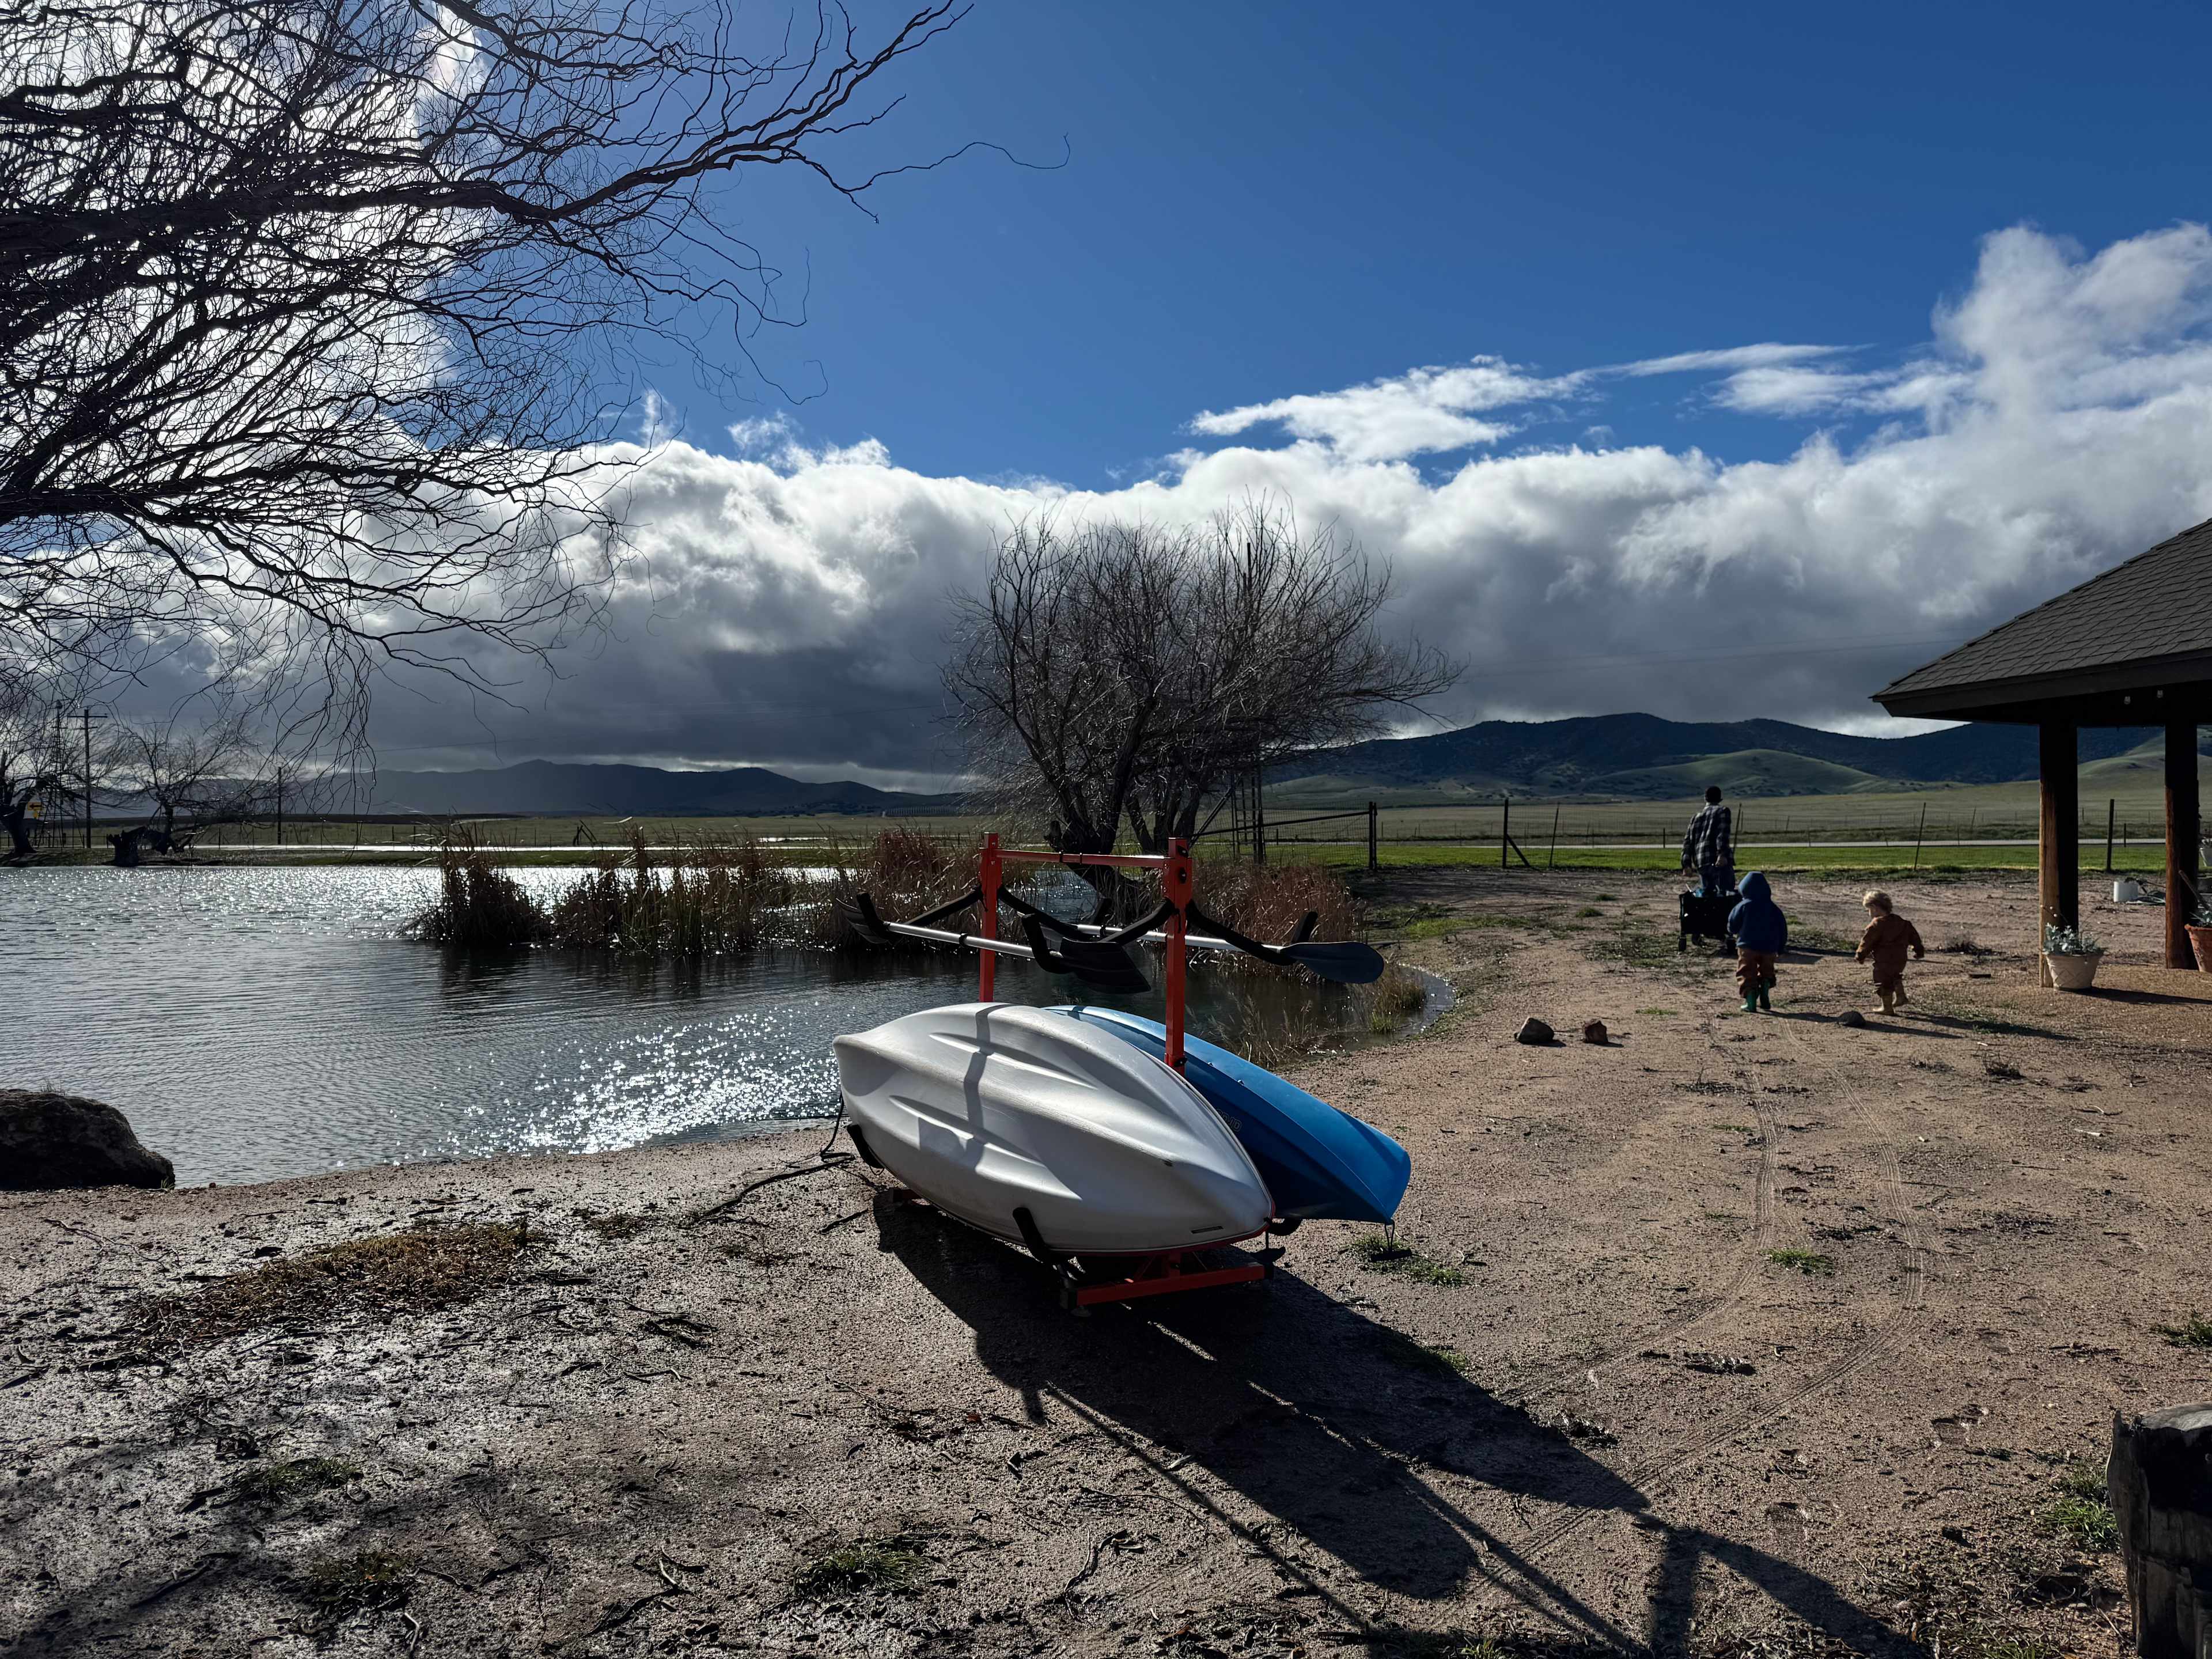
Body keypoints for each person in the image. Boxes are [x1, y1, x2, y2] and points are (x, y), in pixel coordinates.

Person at [1854, 889, 1925, 1016]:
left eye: (1868, 910)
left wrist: (1860, 955)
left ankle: (1887, 1008)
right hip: (1900, 959)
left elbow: (1867, 942)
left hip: (1884, 960)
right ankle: (1901, 997)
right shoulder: (1902, 923)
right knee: (1895, 975)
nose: (1869, 913)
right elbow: (1915, 937)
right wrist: (1919, 951)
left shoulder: (1877, 925)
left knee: (1882, 980)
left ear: (1874, 908)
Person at [1727, 870, 1787, 1012]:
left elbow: (1733, 923)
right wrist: (1781, 947)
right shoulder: (1773, 908)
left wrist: (1732, 931)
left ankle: (1751, 1001)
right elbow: (1782, 928)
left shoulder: (1743, 906)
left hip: (1747, 946)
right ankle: (1765, 989)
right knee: (1767, 970)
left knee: (1747, 972)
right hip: (1770, 947)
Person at [1681, 786, 1734, 896]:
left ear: (1705, 799)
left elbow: (1688, 843)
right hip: (1717, 863)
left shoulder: (1695, 817)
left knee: (1707, 898)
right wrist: (1722, 855)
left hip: (1701, 863)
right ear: (1720, 798)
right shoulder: (1723, 811)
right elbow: (1722, 835)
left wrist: (1686, 865)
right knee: (1725, 896)